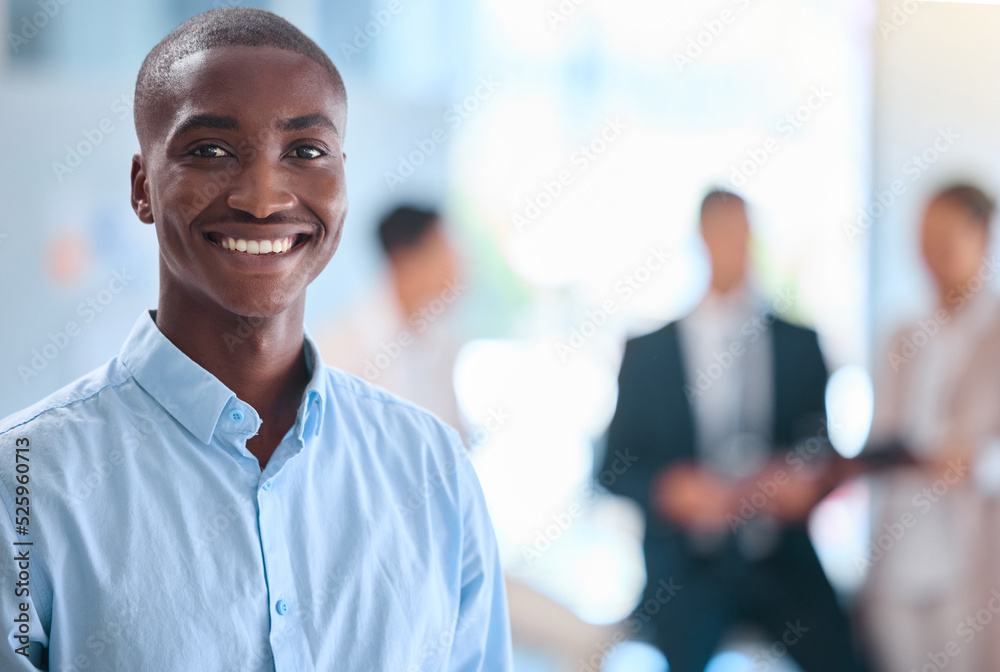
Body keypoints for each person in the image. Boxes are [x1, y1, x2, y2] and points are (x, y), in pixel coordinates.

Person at [0, 8, 511, 670]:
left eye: (305, 151)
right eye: (209, 150)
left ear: (342, 182)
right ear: (141, 188)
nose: (264, 197)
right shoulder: (23, 482)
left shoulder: (433, 469)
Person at [601, 190, 867, 671]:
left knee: (847, 659)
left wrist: (801, 482)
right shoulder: (649, 352)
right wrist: (670, 491)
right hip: (686, 571)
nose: (734, 246)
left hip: (783, 563)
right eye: (722, 233)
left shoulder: (800, 345)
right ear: (701, 240)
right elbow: (613, 468)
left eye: (743, 234)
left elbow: (823, 453)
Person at [861, 184, 1000, 672]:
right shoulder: (901, 334)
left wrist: (977, 463)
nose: (932, 253)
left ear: (981, 237)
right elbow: (881, 436)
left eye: (945, 237)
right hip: (898, 551)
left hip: (973, 554)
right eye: (924, 238)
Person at [320, 205, 465, 430]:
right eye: (442, 250)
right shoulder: (336, 351)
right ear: (402, 260)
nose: (456, 266)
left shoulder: (443, 347)